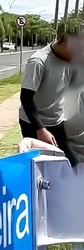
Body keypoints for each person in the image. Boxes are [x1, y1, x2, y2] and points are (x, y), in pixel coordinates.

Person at [19, 33, 80, 166]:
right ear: (65, 43)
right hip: (34, 123)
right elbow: (26, 98)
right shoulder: (38, 61)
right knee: (42, 166)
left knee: (71, 163)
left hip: (57, 121)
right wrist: (40, 129)